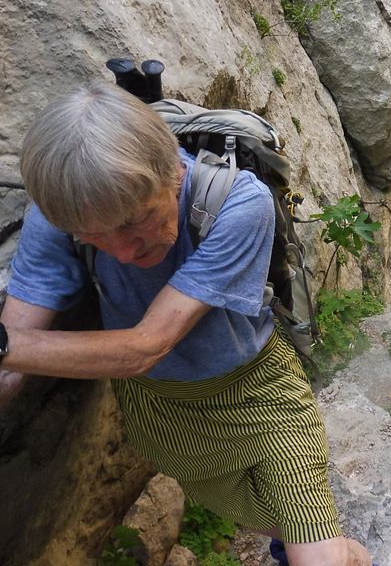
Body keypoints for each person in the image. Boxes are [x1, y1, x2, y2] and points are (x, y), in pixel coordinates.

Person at [0, 83, 371, 566]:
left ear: (172, 172)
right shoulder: (61, 215)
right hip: (161, 417)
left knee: (311, 540)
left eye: (137, 222)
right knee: (279, 525)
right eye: (95, 237)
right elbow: (11, 363)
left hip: (260, 399)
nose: (124, 253)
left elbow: (146, 344)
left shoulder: (239, 203)